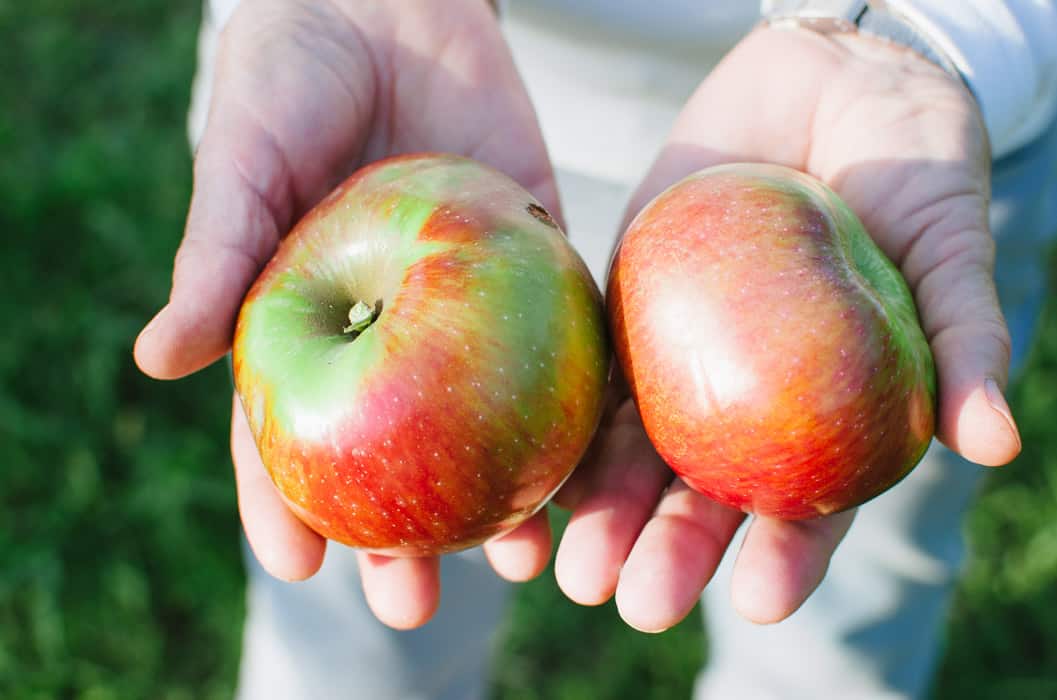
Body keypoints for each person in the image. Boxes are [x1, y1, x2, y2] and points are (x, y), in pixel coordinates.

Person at [134, 0, 1057, 697]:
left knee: (846, 602)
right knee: (357, 629)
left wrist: (920, 30)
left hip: (898, 139)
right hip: (418, 92)